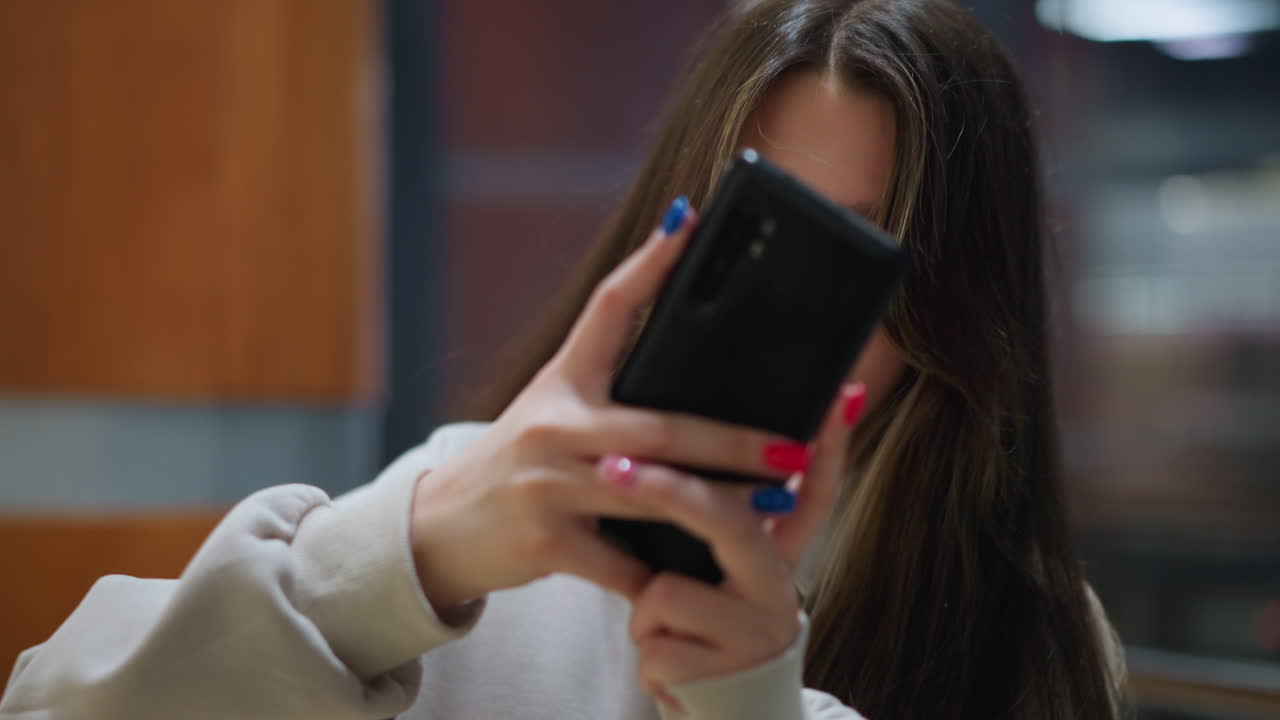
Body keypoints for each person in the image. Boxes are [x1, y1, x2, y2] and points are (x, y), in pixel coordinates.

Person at [0, 1, 1127, 719]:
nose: (776, 321)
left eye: (842, 264)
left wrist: (749, 706)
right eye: (745, 237)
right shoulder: (475, 522)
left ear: (952, 303)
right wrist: (406, 560)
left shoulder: (1034, 633)